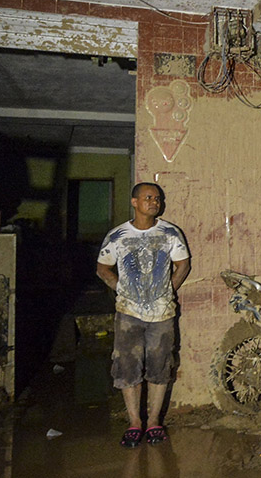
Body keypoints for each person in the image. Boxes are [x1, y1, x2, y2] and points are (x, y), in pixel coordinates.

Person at [97, 182, 191, 448]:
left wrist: (168, 290)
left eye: (158, 198)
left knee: (160, 366)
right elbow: (103, 268)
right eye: (148, 197)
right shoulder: (117, 236)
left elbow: (183, 264)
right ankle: (134, 423)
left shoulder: (170, 232)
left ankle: (153, 422)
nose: (154, 202)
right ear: (134, 202)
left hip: (162, 313)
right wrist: (122, 289)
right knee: (128, 367)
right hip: (128, 313)